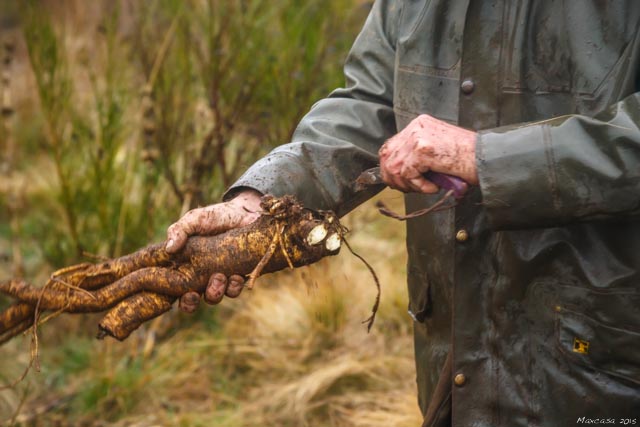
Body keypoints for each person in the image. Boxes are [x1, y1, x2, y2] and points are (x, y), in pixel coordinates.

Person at [165, 1, 640, 425]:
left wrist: (485, 157)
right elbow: (368, 102)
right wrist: (261, 199)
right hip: (453, 363)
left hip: (599, 370)